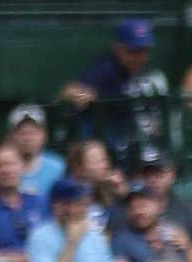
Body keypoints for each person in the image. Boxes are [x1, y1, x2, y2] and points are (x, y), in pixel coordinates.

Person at [58, 19, 169, 160]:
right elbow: (69, 91)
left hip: (143, 144)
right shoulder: (106, 68)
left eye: (144, 51)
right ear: (119, 49)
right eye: (134, 51)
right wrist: (81, 94)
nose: (141, 57)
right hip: (113, 144)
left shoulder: (152, 73)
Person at [26, 178, 128, 262]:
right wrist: (72, 242)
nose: (76, 209)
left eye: (81, 203)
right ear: (55, 205)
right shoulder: (40, 236)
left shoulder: (95, 235)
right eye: (68, 203)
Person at [0, 140, 46, 262]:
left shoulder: (39, 202)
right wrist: (16, 260)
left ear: (22, 166)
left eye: (11, 164)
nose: (6, 170)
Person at [7, 104, 65, 200]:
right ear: (11, 136)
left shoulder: (57, 167)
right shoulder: (2, 168)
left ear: (44, 135)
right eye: (22, 133)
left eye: (33, 132)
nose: (28, 138)